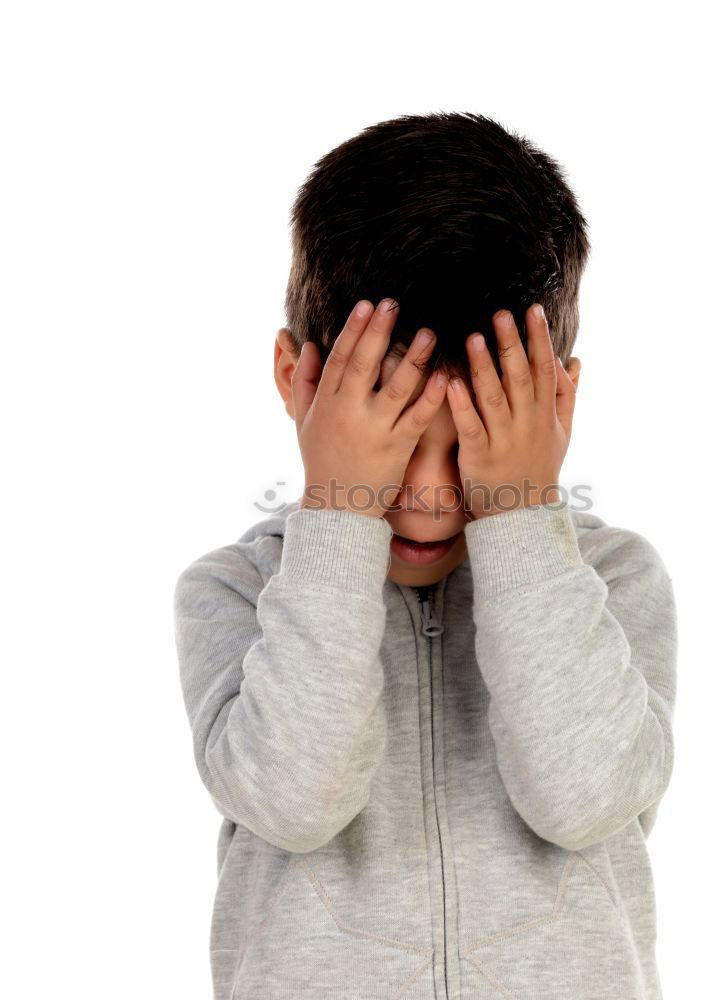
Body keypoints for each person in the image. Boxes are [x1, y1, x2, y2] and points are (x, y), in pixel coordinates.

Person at [174, 111, 678, 1000]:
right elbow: (294, 802)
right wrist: (338, 516)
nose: (432, 495)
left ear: (556, 405)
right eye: (390, 441)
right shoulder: (237, 591)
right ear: (297, 378)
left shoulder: (611, 580)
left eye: (477, 443)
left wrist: (521, 512)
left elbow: (587, 799)